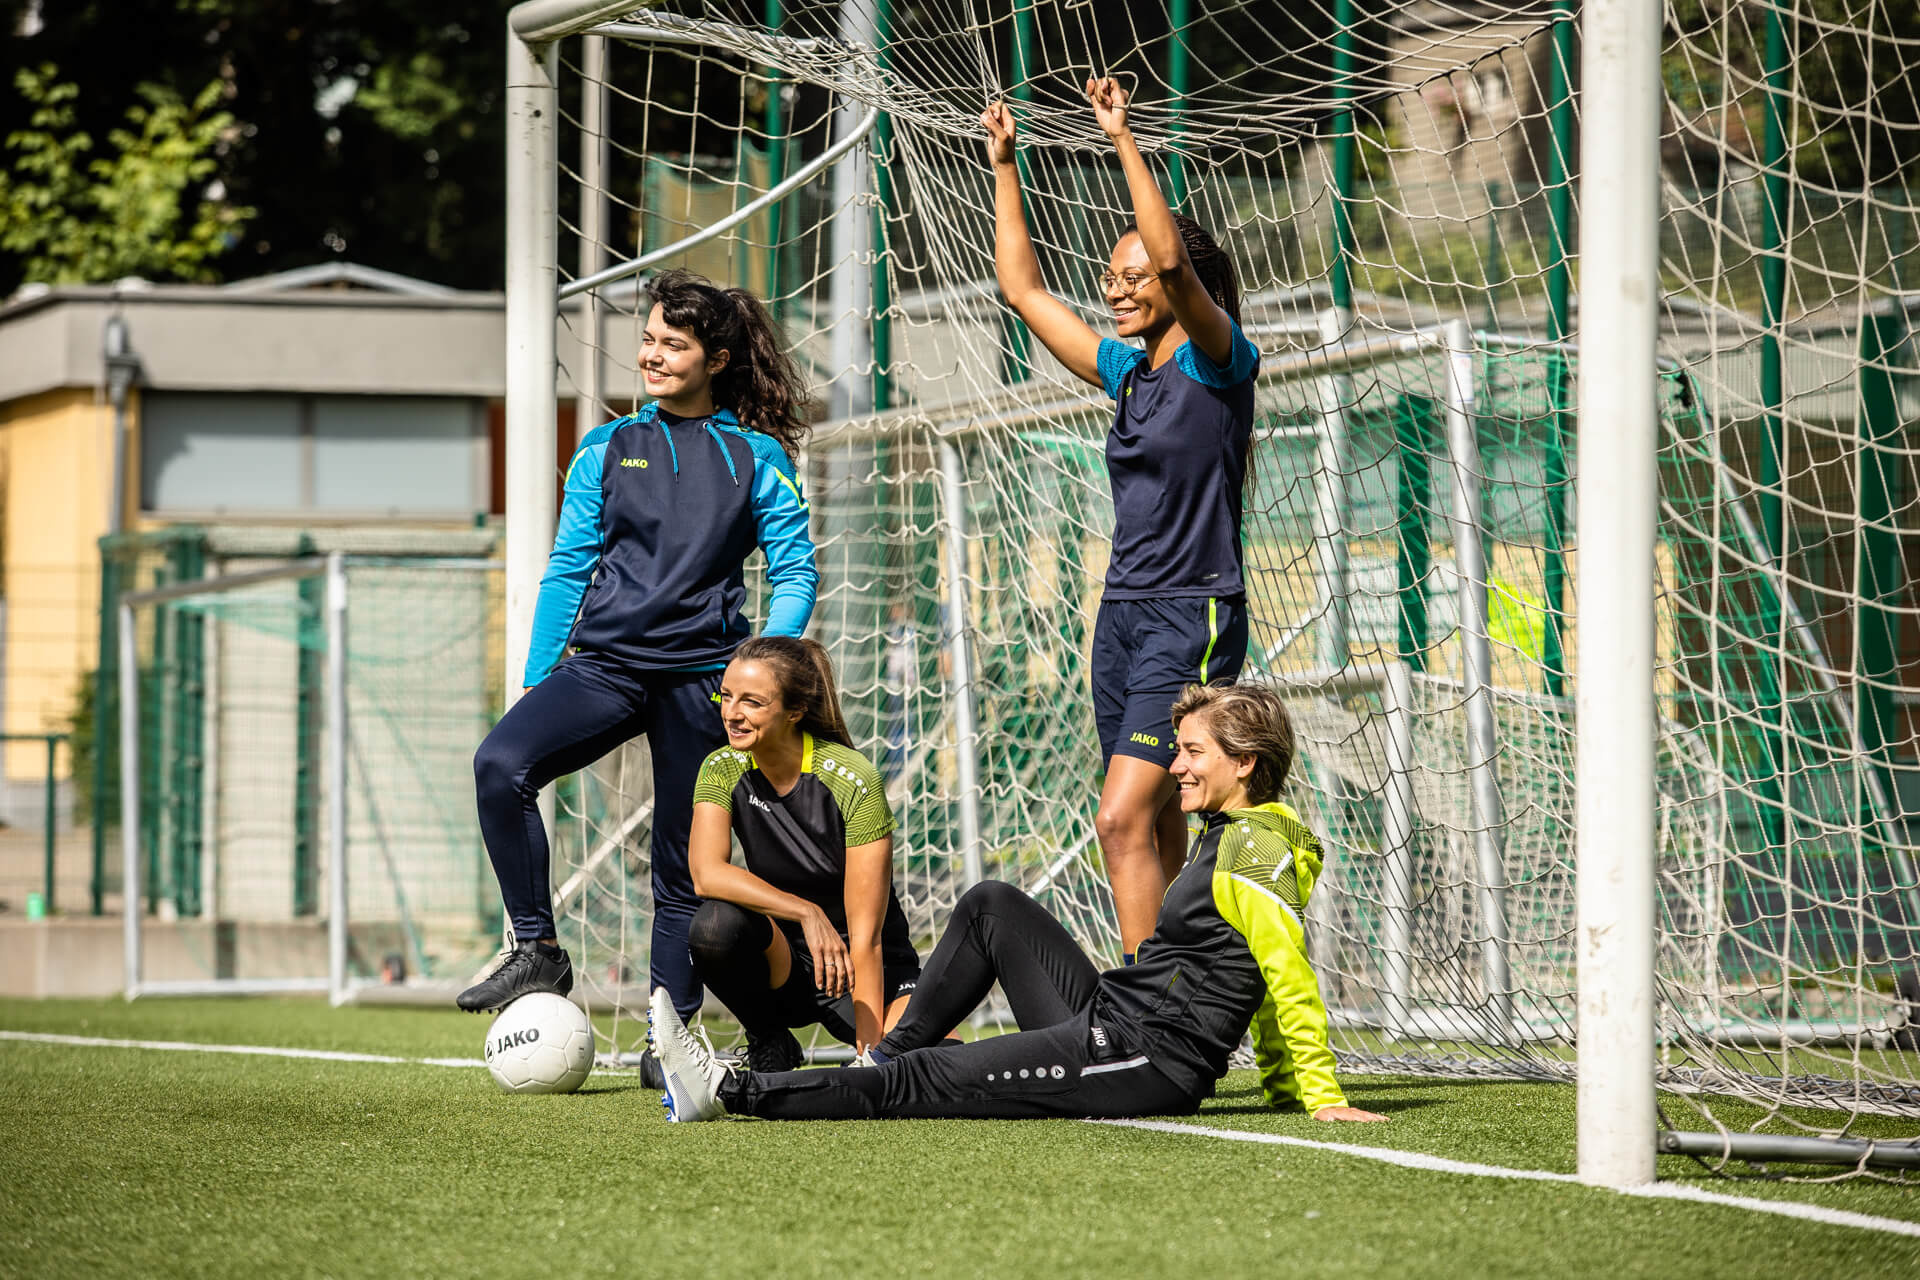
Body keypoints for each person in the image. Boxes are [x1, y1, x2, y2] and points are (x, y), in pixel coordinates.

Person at [648, 682, 1387, 1126]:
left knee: (925, 1083)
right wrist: (1288, 1088)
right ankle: (879, 1058)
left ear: (1246, 763)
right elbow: (1250, 970)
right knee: (992, 903)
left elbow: (1282, 971)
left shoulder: (1255, 848)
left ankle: (730, 1090)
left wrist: (1314, 1094)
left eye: (1193, 752)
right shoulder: (1228, 833)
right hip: (1114, 1017)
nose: (1178, 766)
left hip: (1138, 1057)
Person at [458, 269, 819, 1017]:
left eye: (672, 344)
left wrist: (758, 673)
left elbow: (796, 573)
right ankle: (537, 951)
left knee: (684, 866)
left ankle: (670, 1031)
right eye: (648, 339)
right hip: (606, 670)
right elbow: (567, 569)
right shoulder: (606, 448)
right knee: (500, 762)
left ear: (716, 360)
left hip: (703, 686)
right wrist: (536, 680)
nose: (652, 355)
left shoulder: (755, 457)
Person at [982, 79, 1260, 962]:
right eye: (1111, 278)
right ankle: (1176, 990)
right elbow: (1023, 290)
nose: (1118, 290)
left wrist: (1123, 138)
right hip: (1122, 618)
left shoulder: (1222, 364)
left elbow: (1177, 265)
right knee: (1155, 821)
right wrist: (1006, 167)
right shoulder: (1126, 373)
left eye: (1132, 276)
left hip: (1193, 611)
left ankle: (1144, 1014)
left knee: (1117, 817)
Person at [684, 635, 922, 1072]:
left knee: (927, 1063)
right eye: (727, 695)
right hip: (786, 964)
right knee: (713, 927)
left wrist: (871, 1060)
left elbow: (867, 937)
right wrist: (806, 913)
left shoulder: (853, 777)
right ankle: (769, 1040)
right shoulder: (720, 767)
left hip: (861, 967)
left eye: (752, 702)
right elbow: (707, 874)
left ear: (794, 713)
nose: (732, 713)